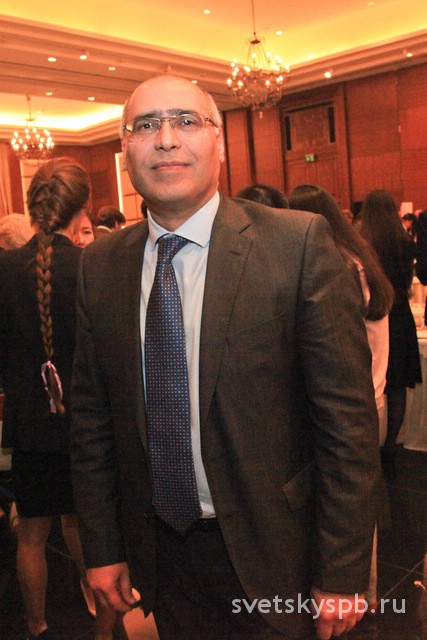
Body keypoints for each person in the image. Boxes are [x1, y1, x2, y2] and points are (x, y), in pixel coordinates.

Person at [70, 75, 380, 640]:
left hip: (278, 550)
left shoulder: (297, 244)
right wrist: (103, 547)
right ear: (126, 149)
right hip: (161, 555)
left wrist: (342, 571)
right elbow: (92, 424)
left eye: (186, 121)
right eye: (146, 125)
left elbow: (347, 427)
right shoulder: (100, 265)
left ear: (219, 142)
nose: (166, 138)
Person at [0, 157, 115, 640]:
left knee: (31, 535)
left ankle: (37, 625)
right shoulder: (94, 266)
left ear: (33, 206)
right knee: (90, 530)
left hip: (29, 426)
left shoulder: (4, 268)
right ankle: (104, 629)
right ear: (83, 206)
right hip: (87, 428)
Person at [289, 184, 394, 611]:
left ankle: (359, 596)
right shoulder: (357, 258)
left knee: (350, 505)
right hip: (375, 400)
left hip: (358, 408)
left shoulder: (336, 268)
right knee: (356, 503)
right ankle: (360, 593)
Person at [360, 189, 422, 472]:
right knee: (397, 386)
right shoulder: (403, 241)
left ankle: (371, 447)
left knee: (374, 383)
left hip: (375, 315)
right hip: (401, 316)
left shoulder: (364, 243)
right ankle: (391, 447)